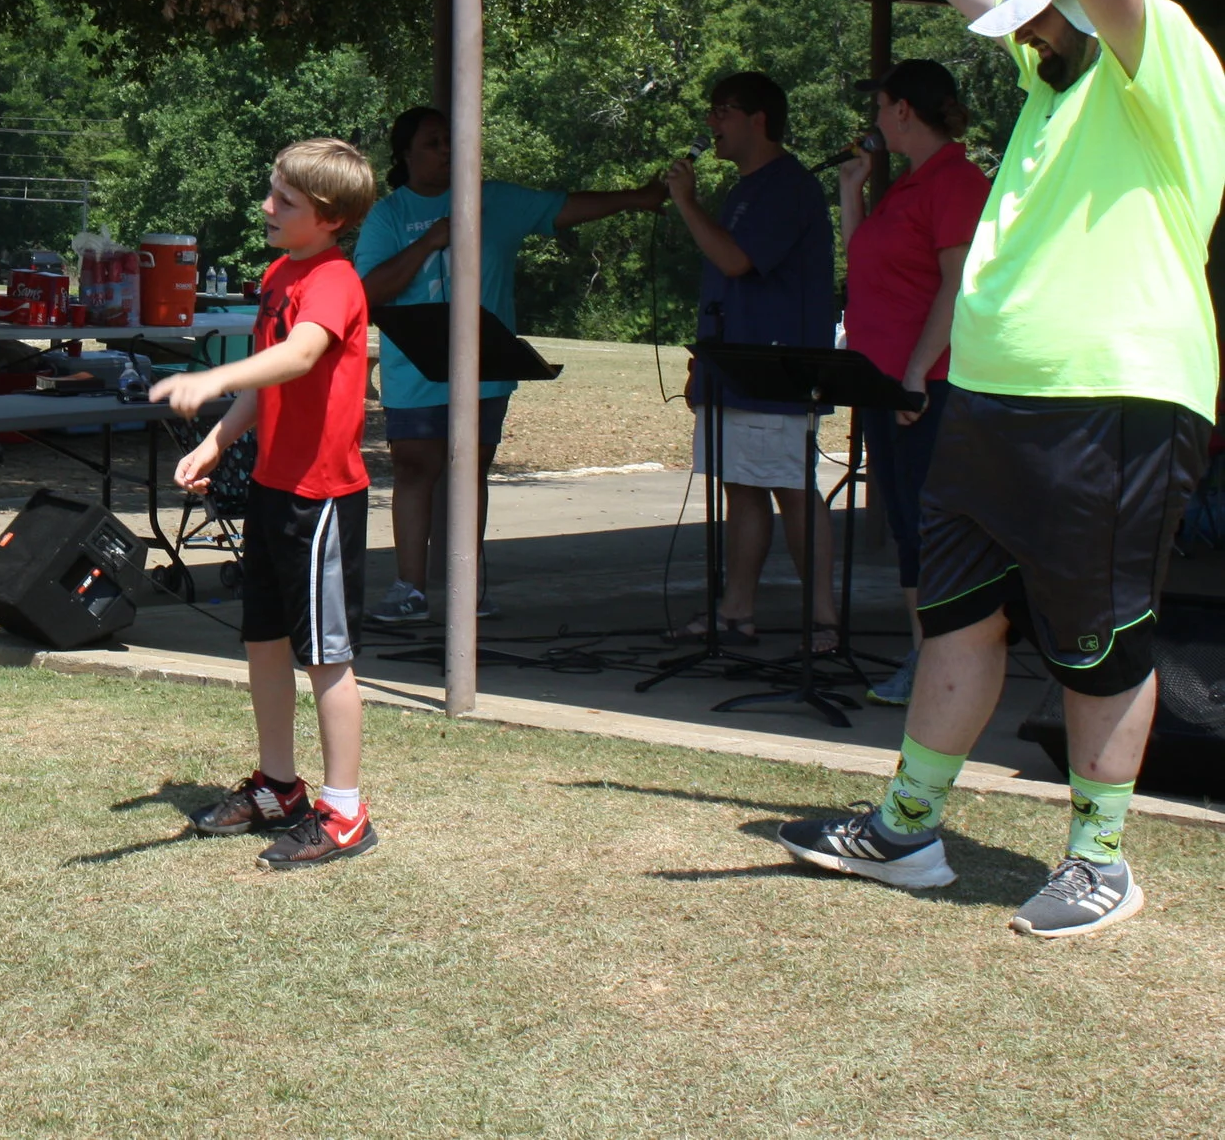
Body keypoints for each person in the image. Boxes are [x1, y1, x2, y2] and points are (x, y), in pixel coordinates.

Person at [775, 0, 1225, 939]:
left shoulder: (1157, 60)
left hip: (1109, 397)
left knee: (1097, 637)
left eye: (1036, 14)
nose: (1017, 32)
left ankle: (1099, 859)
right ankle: (907, 829)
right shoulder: (1051, 78)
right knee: (958, 617)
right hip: (992, 398)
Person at [350, 106, 667, 629]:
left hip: (484, 366)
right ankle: (410, 588)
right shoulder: (389, 215)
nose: (446, 150)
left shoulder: (492, 199)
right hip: (414, 369)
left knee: (469, 473)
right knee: (413, 470)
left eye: (451, 140)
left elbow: (564, 207)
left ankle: (466, 588)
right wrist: (430, 242)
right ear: (405, 154)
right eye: (433, 143)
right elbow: (367, 293)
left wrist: (638, 197)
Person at [155, 139, 379, 871]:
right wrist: (216, 442)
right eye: (272, 191)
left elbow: (301, 354)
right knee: (264, 641)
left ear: (330, 217)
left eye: (286, 200)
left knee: (326, 657)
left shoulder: (334, 280)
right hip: (273, 489)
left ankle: (344, 811)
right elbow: (269, 381)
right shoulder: (281, 273)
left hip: (322, 500)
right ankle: (279, 787)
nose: (267, 207)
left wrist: (212, 377)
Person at [664, 72, 839, 650]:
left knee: (791, 486)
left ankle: (824, 621)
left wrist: (686, 203)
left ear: (758, 119)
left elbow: (737, 261)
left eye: (723, 110)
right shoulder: (744, 189)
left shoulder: (788, 187)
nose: (710, 122)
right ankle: (736, 612)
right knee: (740, 484)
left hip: (775, 369)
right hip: (734, 367)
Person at [837, 60, 990, 706]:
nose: (873, 118)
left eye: (879, 105)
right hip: (885, 381)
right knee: (904, 518)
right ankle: (921, 654)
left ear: (902, 110)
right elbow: (864, 264)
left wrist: (917, 371)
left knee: (931, 525)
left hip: (928, 383)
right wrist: (852, 190)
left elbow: (958, 286)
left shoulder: (955, 180)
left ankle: (939, 661)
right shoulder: (906, 183)